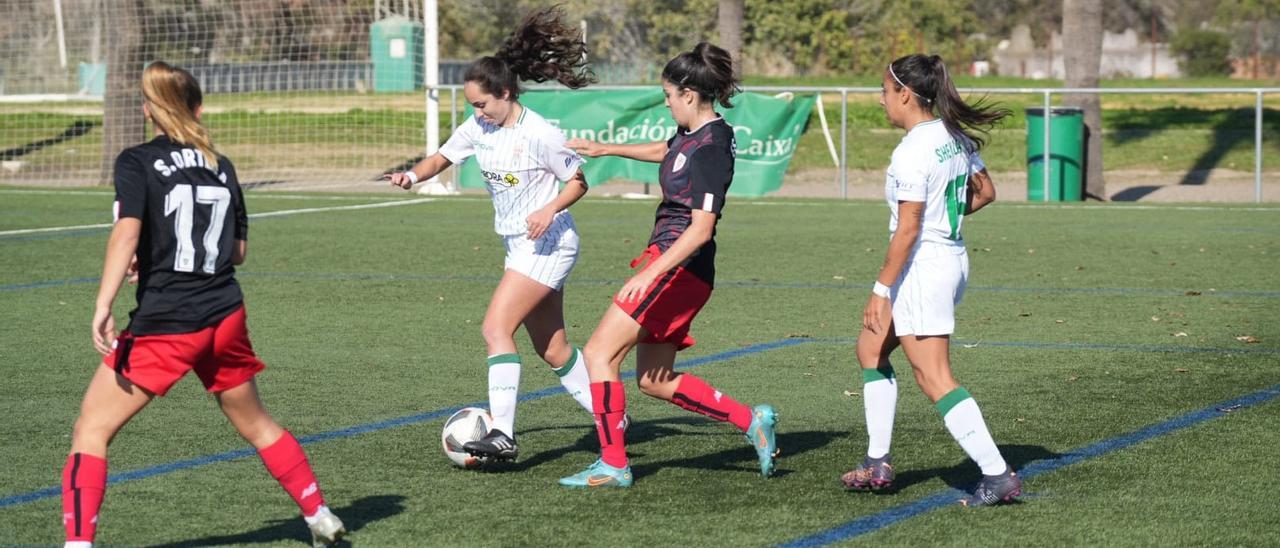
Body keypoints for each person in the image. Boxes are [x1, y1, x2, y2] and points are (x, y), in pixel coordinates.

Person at [65, 62, 344, 547]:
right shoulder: (221, 162)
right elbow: (235, 251)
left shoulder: (136, 160)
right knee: (258, 425)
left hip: (169, 320)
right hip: (224, 314)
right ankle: (318, 514)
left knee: (91, 428)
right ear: (197, 108)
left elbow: (126, 230)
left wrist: (104, 300)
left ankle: (77, 545)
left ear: (149, 111)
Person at [385, 6, 604, 462]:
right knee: (554, 348)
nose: (477, 113)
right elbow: (442, 157)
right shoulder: (478, 126)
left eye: (482, 104)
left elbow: (579, 181)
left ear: (505, 93)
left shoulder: (540, 133)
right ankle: (612, 418)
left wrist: (549, 209)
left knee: (495, 328)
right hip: (520, 245)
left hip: (548, 242)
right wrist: (412, 175)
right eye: (471, 106)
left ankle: (502, 432)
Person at [556, 42, 778, 489]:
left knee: (599, 354)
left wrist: (651, 272)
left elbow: (701, 228)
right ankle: (751, 420)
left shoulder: (713, 146)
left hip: (678, 264)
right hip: (675, 265)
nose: (667, 101)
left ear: (690, 94)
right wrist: (607, 149)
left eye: (669, 95)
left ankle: (614, 464)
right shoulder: (692, 136)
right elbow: (668, 151)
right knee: (654, 380)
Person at [841, 53, 1018, 506]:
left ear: (904, 93)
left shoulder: (912, 151)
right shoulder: (952, 135)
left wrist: (881, 288)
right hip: (946, 259)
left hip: (923, 267)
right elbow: (986, 192)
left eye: (884, 91)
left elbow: (909, 228)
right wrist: (947, 221)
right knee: (871, 347)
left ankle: (997, 474)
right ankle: (877, 461)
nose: (881, 101)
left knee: (934, 375)